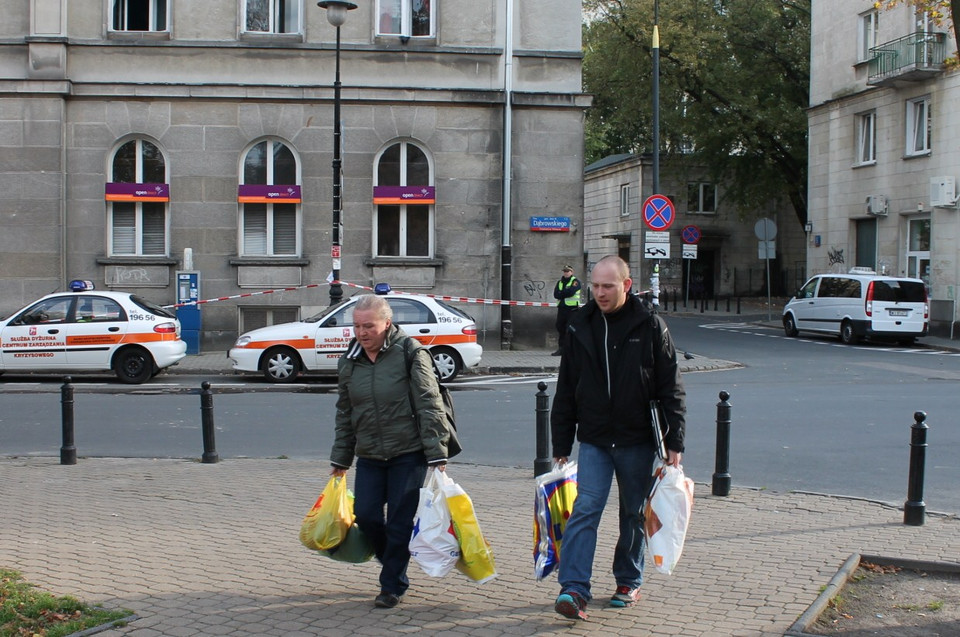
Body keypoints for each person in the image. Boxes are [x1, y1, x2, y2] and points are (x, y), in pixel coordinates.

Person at [549, 255, 686, 620]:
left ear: (626, 285)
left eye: (607, 286)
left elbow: (671, 386)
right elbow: (566, 388)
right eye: (594, 286)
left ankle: (628, 580)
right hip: (594, 438)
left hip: (637, 439)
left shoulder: (650, 325)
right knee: (585, 510)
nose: (599, 293)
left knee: (632, 513)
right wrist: (561, 443)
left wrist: (675, 443)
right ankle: (574, 589)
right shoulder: (580, 325)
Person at [329, 294, 458, 609]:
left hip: (408, 452)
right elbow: (345, 413)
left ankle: (392, 585)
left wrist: (437, 454)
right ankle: (393, 561)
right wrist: (341, 459)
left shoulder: (410, 352)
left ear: (387, 323)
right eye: (357, 326)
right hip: (370, 453)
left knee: (399, 523)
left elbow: (430, 403)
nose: (362, 333)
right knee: (367, 517)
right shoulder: (350, 360)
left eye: (369, 326)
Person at [552, 265, 581, 355]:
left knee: (570, 328)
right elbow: (556, 294)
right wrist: (564, 292)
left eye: (568, 271)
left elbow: (571, 292)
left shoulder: (575, 281)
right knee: (560, 327)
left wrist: (562, 293)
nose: (566, 273)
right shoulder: (560, 282)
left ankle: (571, 349)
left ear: (572, 272)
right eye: (565, 271)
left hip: (572, 309)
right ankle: (561, 348)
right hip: (562, 308)